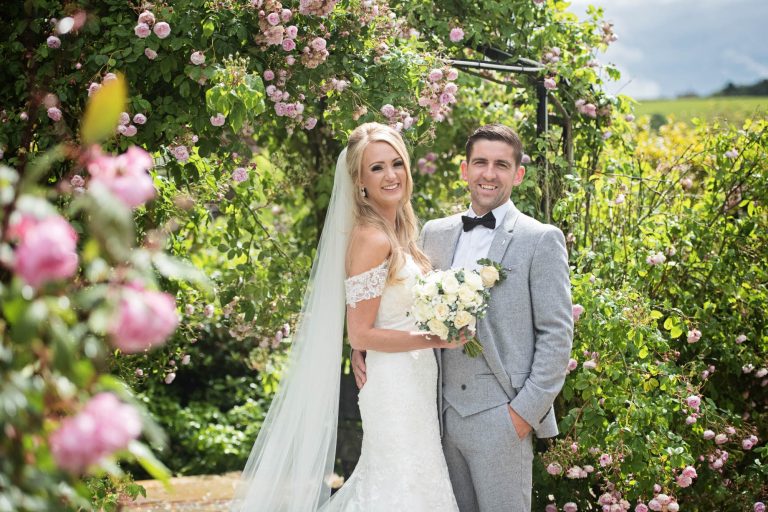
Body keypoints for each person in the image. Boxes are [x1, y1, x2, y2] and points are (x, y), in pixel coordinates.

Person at [231, 122, 463, 512]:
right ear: (359, 182)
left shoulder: (399, 230)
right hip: (393, 386)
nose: (390, 175)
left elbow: (382, 317)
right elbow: (361, 334)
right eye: (376, 168)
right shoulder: (371, 237)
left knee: (409, 480)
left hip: (414, 379)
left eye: (396, 164)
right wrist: (436, 339)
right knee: (401, 487)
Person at [352, 123, 574, 512]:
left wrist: (522, 416)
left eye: (502, 165)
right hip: (434, 415)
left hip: (502, 419)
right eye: (481, 163)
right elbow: (394, 300)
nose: (490, 174)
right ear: (464, 169)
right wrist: (360, 345)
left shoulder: (540, 239)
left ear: (518, 174)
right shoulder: (433, 234)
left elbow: (557, 335)